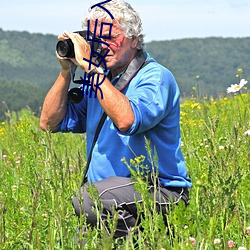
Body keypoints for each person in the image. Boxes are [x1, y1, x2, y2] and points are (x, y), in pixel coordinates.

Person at [40, 0, 192, 244]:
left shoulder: (154, 77)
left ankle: (147, 241)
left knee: (88, 200)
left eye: (110, 37)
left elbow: (127, 120)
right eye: (95, 37)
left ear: (133, 39)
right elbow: (49, 123)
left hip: (160, 192)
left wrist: (91, 69)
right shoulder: (100, 81)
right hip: (110, 199)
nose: (101, 45)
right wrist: (66, 71)